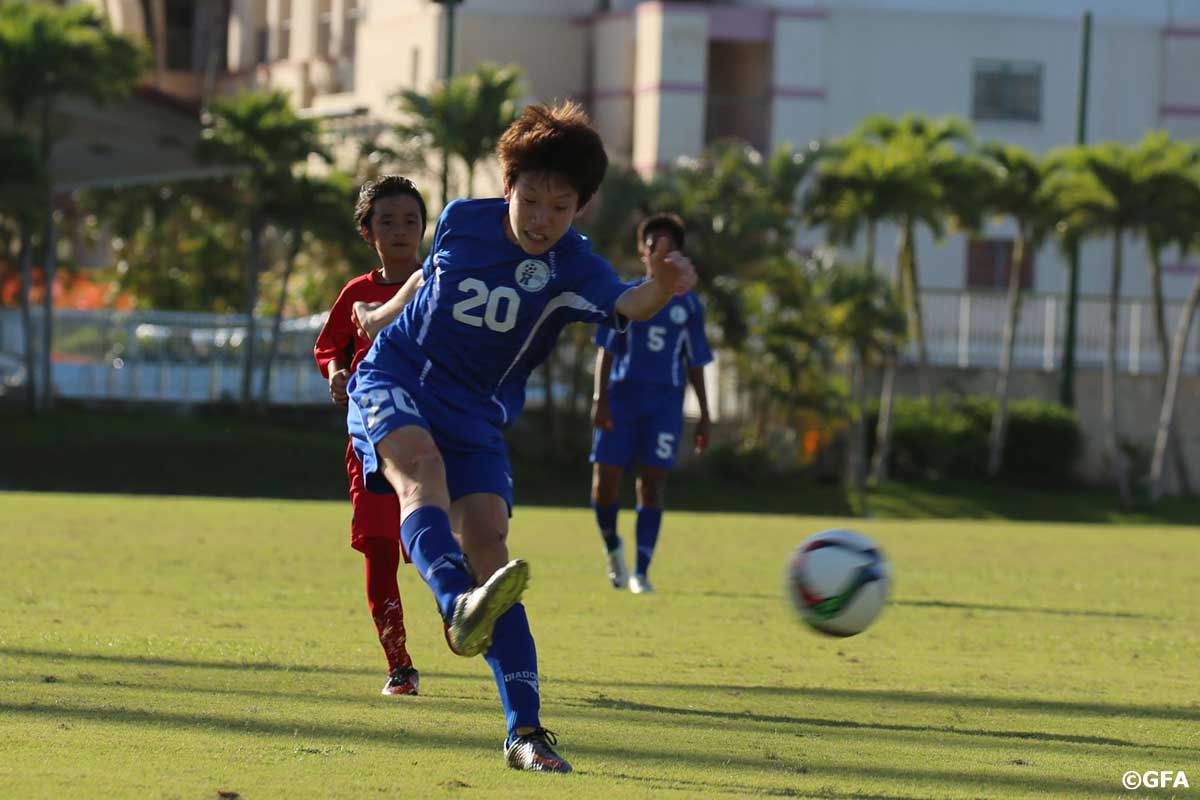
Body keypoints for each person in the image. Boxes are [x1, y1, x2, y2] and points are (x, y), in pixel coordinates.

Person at [347, 102, 696, 773]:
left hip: (476, 410)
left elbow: (628, 303)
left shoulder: (574, 266)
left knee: (491, 547)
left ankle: (526, 734)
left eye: (559, 207)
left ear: (580, 208)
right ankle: (456, 605)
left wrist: (662, 287)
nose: (540, 219)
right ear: (506, 187)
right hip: (398, 376)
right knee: (420, 469)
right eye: (530, 200)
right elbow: (426, 277)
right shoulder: (461, 219)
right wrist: (379, 317)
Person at [313, 176, 427, 697]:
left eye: (410, 220)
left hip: (431, 435)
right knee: (380, 550)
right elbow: (330, 346)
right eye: (388, 221)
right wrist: (337, 372)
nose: (401, 230)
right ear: (367, 231)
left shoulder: (439, 286)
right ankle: (399, 665)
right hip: (371, 441)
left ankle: (459, 614)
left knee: (439, 540)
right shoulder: (356, 293)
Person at [589, 213, 713, 594]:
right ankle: (613, 548)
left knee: (653, 484)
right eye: (652, 244)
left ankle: (641, 572)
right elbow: (607, 351)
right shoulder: (626, 296)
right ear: (643, 252)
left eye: (667, 246)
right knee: (605, 485)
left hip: (665, 402)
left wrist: (705, 414)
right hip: (622, 397)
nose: (659, 251)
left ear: (677, 255)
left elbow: (695, 362)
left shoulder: (689, 306)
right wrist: (600, 398)